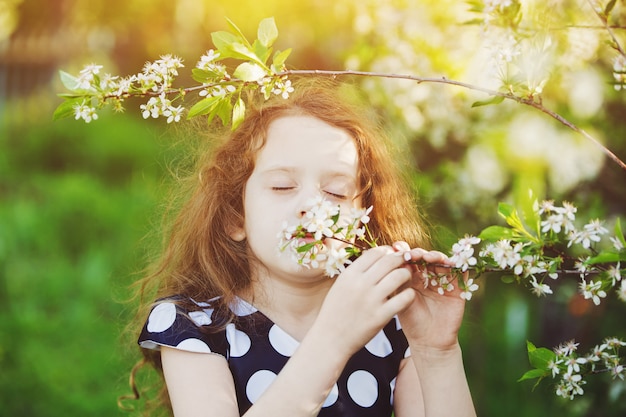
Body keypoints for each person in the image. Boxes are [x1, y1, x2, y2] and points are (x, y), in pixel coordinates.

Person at [132, 78, 476, 417]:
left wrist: (437, 352)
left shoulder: (395, 326)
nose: (312, 206)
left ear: (362, 223)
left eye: (336, 192)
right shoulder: (193, 325)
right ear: (235, 218)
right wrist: (335, 338)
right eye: (283, 186)